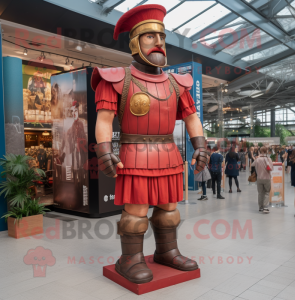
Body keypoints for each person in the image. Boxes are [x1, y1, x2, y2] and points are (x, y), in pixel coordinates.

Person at [92, 4, 207, 284]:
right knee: (136, 211)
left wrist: (201, 146)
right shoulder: (116, 79)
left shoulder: (177, 84)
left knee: (169, 208)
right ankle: (129, 259)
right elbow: (105, 119)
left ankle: (167, 251)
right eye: (150, 36)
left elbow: (192, 118)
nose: (158, 43)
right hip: (134, 153)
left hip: (168, 153)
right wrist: (104, 149)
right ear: (135, 42)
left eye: (162, 37)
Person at [251, 146, 273, 214]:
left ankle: (260, 207)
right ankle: (266, 207)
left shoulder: (257, 159)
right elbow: (271, 168)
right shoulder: (268, 159)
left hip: (259, 178)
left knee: (260, 193)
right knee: (266, 192)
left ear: (259, 151)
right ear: (266, 152)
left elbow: (252, 165)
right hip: (266, 178)